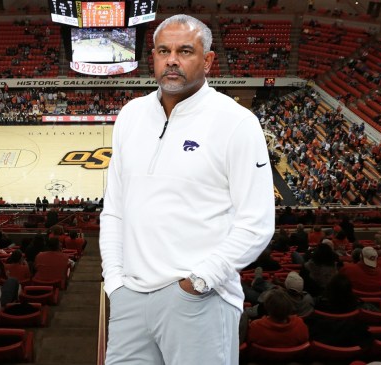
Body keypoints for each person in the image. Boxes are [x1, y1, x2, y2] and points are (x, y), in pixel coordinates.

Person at [99, 14, 275, 365]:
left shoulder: (237, 123)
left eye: (185, 51)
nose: (172, 60)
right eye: (164, 50)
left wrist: (199, 281)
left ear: (208, 60)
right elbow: (114, 209)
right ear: (153, 57)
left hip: (196, 299)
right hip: (130, 297)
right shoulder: (130, 116)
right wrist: (115, 282)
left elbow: (256, 222)